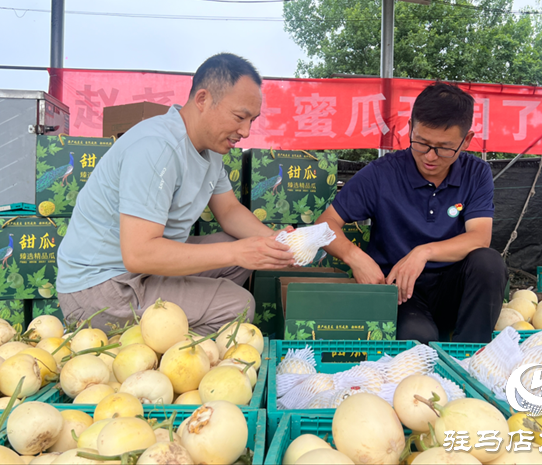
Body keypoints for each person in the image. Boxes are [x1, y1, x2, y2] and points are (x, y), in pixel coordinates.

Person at [56, 53, 295, 334]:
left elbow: (229, 210)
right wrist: (236, 252)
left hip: (140, 269)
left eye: (252, 120)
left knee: (242, 244)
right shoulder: (157, 148)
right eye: (239, 117)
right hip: (101, 288)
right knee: (239, 304)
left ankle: (174, 323)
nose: (245, 131)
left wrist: (271, 241)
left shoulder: (210, 149)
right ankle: (164, 361)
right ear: (203, 99)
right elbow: (138, 253)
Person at [316, 82, 508, 343]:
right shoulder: (381, 174)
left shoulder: (476, 173)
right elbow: (324, 225)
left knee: (489, 263)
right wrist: (355, 257)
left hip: (452, 288)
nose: (430, 156)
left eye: (444, 147)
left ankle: (471, 359)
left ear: (466, 141)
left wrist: (423, 252)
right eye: (421, 143)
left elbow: (479, 237)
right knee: (418, 342)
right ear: (409, 129)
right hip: (400, 293)